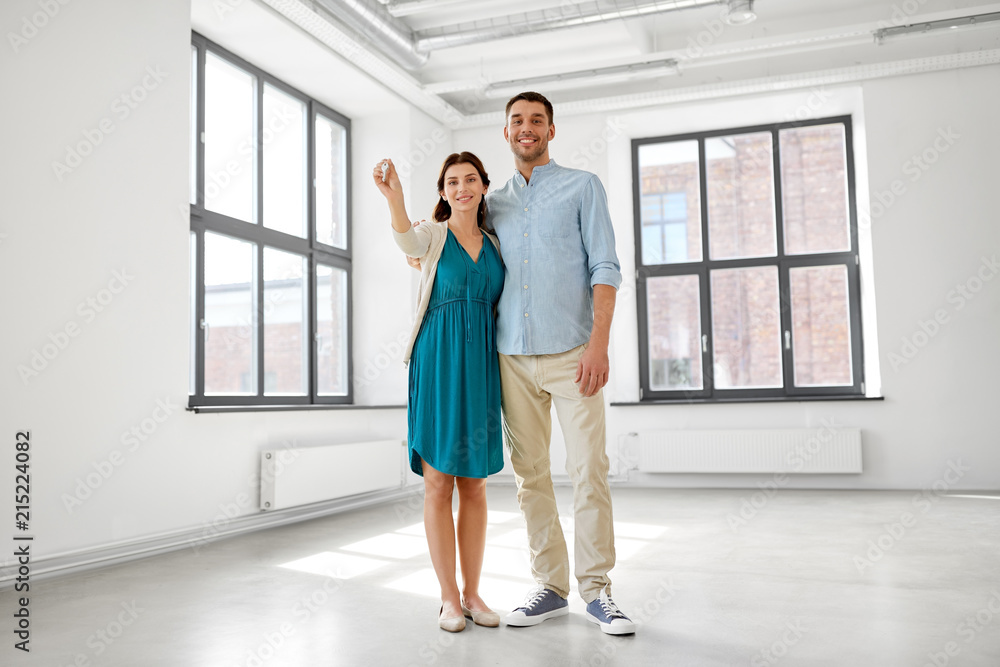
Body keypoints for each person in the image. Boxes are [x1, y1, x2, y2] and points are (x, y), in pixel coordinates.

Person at [491, 92, 635, 635]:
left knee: (588, 471)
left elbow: (605, 265)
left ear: (551, 129)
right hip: (511, 358)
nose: (526, 129)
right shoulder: (492, 201)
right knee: (530, 477)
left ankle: (597, 590)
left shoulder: (583, 186)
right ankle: (550, 587)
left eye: (536, 121)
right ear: (506, 133)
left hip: (575, 354)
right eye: (517, 122)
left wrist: (599, 344)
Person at [373, 152, 504, 633]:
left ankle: (473, 592)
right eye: (452, 181)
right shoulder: (432, 234)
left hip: (482, 369)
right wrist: (396, 200)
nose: (462, 187)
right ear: (443, 191)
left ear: (484, 186)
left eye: (470, 179)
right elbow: (405, 237)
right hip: (437, 363)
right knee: (438, 482)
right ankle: (448, 597)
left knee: (475, 483)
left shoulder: (495, 243)